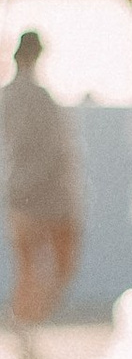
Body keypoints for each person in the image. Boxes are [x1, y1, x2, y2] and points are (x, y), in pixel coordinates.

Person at [4, 29, 83, 337]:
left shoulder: (7, 96)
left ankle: (25, 324)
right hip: (48, 194)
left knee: (26, 268)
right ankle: (29, 321)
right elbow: (59, 150)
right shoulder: (41, 98)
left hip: (19, 192)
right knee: (59, 265)